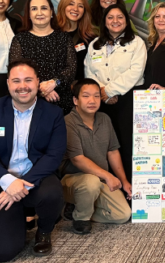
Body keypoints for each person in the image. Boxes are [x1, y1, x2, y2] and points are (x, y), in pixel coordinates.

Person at [0, 59, 67, 262]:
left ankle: (44, 230)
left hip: (36, 178)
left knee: (52, 193)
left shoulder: (54, 114)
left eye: (28, 80)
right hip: (0, 182)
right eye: (16, 80)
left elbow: (54, 156)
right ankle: (20, 218)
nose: (22, 86)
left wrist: (20, 184)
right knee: (4, 253)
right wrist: (8, 182)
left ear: (37, 82)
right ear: (8, 84)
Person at [60, 79, 132, 234]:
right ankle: (81, 217)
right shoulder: (68, 121)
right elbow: (77, 159)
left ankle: (76, 209)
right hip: (73, 180)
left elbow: (112, 151)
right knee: (91, 182)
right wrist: (108, 176)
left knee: (123, 214)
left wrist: (124, 181)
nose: (92, 101)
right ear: (75, 100)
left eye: (96, 96)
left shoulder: (104, 119)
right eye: (86, 96)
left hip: (99, 180)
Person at [84, 4, 146, 179]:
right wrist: (101, 94)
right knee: (103, 145)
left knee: (127, 145)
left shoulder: (137, 43)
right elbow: (89, 72)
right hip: (100, 103)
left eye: (120, 17)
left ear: (126, 21)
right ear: (104, 21)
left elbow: (136, 71)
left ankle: (129, 189)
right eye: (110, 17)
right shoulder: (95, 45)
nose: (115, 21)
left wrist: (109, 91)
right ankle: (107, 186)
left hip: (127, 102)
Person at [9, 0, 77, 114]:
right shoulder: (20, 39)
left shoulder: (64, 38)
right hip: (30, 102)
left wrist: (54, 83)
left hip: (62, 101)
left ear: (51, 12)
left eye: (44, 8)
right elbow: (16, 71)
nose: (39, 13)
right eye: (34, 9)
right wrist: (42, 89)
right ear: (29, 14)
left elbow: (71, 68)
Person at [57, 0, 96, 84]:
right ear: (63, 6)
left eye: (80, 6)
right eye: (71, 4)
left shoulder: (90, 38)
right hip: (54, 91)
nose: (75, 9)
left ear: (84, 11)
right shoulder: (51, 33)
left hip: (80, 91)